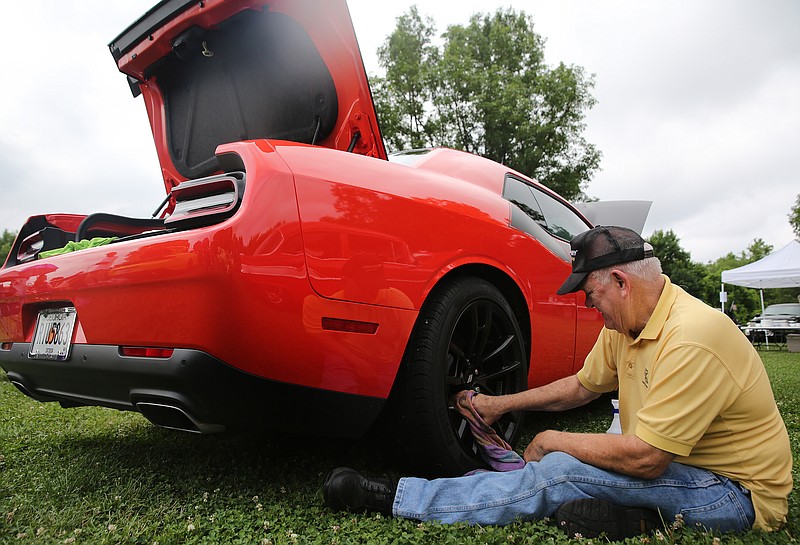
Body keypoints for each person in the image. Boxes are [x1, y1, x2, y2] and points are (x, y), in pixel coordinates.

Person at [323, 226, 792, 540]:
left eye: (591, 295)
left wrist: (550, 441)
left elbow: (647, 458)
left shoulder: (692, 336)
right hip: (687, 473)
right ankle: (636, 520)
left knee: (562, 471)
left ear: (620, 281)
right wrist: (499, 405)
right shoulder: (628, 325)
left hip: (733, 494)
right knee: (571, 471)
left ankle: (400, 499)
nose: (590, 307)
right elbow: (581, 387)